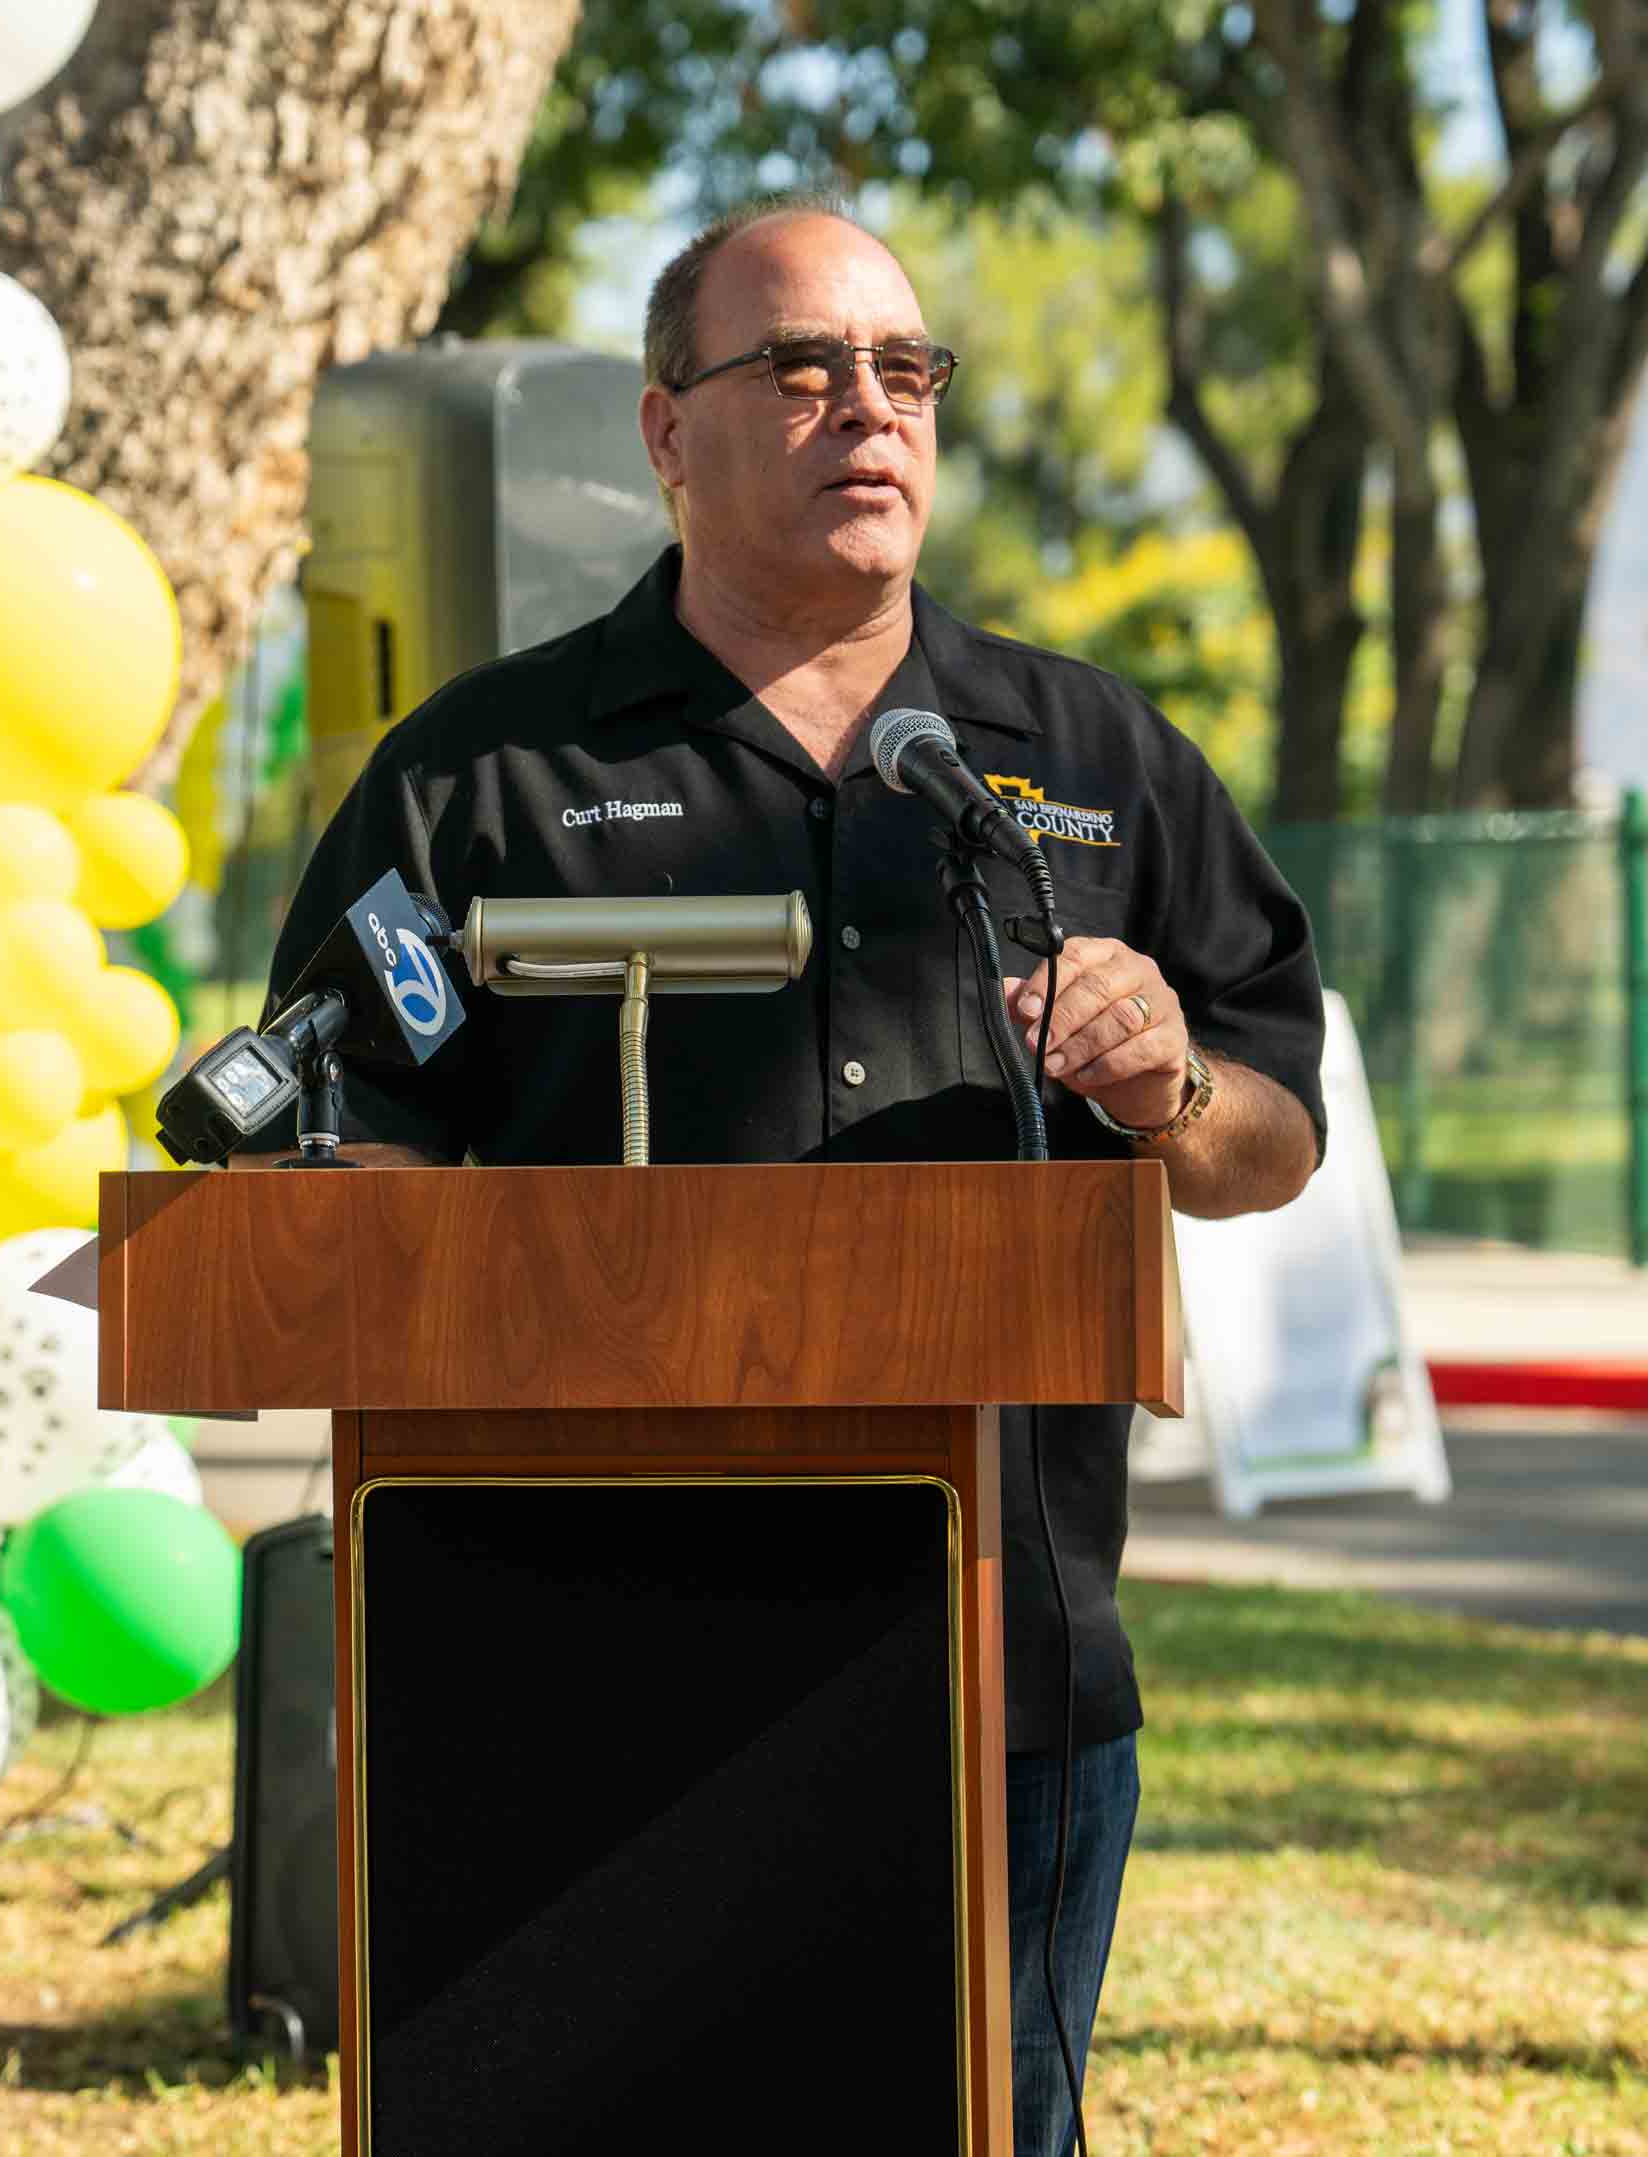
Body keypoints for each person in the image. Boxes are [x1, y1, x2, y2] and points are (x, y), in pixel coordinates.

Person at [242, 194, 1326, 2155]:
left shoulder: (1089, 756)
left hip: (999, 1662)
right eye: (802, 368)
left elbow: (1274, 1140)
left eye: (905, 369)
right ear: (668, 433)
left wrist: (1173, 1089)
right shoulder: (480, 777)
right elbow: (337, 1171)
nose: (869, 409)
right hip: (566, 1669)